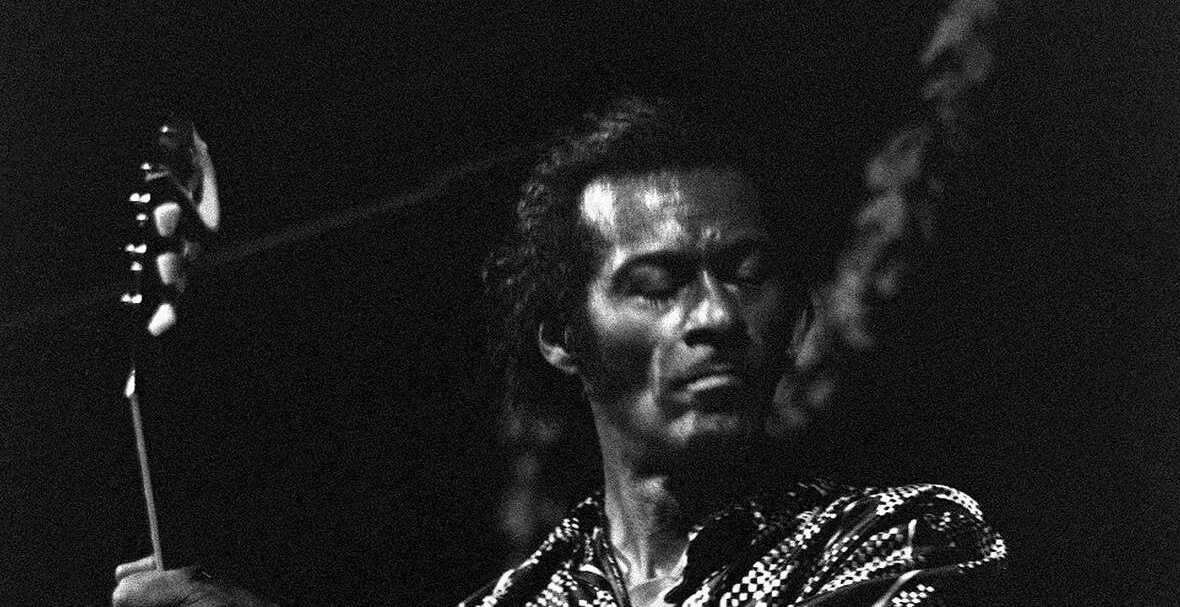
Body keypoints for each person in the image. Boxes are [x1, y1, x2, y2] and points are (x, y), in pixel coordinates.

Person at [112, 93, 1006, 606]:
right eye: (657, 283)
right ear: (561, 337)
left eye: (746, 273)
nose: (716, 315)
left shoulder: (907, 540)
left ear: (797, 317)